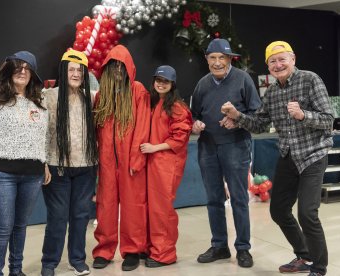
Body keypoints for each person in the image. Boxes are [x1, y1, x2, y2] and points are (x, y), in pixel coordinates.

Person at [221, 41, 334, 276]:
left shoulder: (310, 80)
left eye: (282, 59)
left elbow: (328, 119)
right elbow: (260, 123)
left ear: (293, 59)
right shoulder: (272, 93)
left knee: (307, 213)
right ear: (268, 66)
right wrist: (237, 116)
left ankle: (320, 268)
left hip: (313, 154)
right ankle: (304, 256)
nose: (278, 64)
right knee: (279, 211)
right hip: (288, 155)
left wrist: (304, 115)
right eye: (273, 61)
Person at [0, 51, 50, 276]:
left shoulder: (40, 99)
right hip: (2, 173)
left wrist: (44, 163)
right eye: (18, 66)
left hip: (32, 174)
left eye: (28, 68)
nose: (22, 71)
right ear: (9, 69)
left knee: (19, 227)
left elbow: (44, 135)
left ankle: (16, 271)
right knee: (2, 228)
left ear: (33, 74)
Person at [191, 38, 261, 268]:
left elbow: (257, 116)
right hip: (208, 147)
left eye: (223, 58)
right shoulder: (202, 84)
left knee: (239, 199)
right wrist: (195, 124)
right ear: (207, 59)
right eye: (213, 58)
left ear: (230, 59)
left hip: (236, 146)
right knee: (213, 199)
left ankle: (243, 248)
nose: (218, 62)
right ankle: (220, 246)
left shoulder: (243, 80)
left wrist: (238, 121)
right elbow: (193, 115)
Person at [92, 45, 150, 271]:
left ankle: (132, 250)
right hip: (107, 162)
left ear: (129, 68)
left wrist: (136, 159)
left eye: (121, 65)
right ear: (107, 68)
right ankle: (104, 250)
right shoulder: (102, 96)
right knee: (105, 206)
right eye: (113, 65)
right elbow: (97, 131)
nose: (117, 69)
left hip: (130, 162)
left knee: (132, 207)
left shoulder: (137, 91)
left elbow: (143, 127)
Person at [40, 49, 98, 276]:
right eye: (71, 70)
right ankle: (49, 262)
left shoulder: (91, 98)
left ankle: (77, 259)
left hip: (86, 167)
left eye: (79, 71)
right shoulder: (48, 96)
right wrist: (43, 162)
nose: (75, 74)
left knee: (81, 216)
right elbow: (41, 132)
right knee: (57, 217)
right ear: (64, 72)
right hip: (57, 166)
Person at [140, 65, 193, 268]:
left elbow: (180, 138)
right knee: (150, 208)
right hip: (153, 162)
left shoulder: (177, 107)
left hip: (167, 163)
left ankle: (165, 253)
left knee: (162, 209)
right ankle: (152, 247)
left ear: (172, 84)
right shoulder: (153, 103)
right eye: (158, 80)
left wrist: (154, 148)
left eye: (166, 81)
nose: (161, 84)